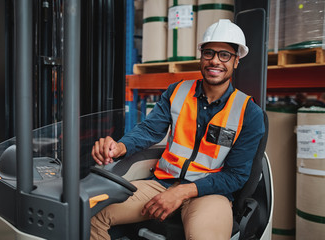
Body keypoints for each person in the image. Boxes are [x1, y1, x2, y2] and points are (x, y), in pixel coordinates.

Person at [91, 19, 265, 240]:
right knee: (93, 215)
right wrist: (119, 147)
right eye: (209, 53)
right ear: (201, 56)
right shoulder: (177, 92)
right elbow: (149, 131)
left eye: (224, 55)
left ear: (236, 61)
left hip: (210, 194)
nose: (215, 61)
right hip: (161, 183)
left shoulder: (249, 113)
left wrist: (183, 191)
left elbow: (236, 175)